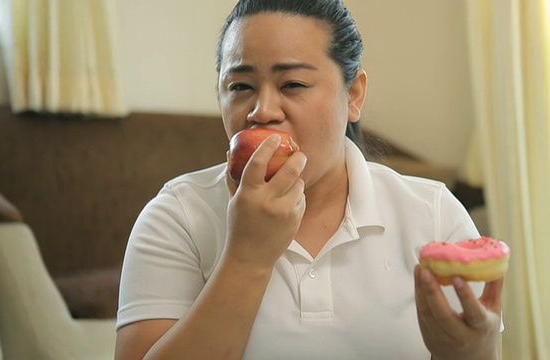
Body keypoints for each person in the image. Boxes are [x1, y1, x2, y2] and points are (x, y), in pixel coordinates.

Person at [114, 0, 505, 359]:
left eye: (293, 85)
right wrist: (247, 257)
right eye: (241, 87)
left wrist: (476, 351)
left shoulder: (432, 214)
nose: (262, 111)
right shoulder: (177, 216)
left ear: (353, 95)